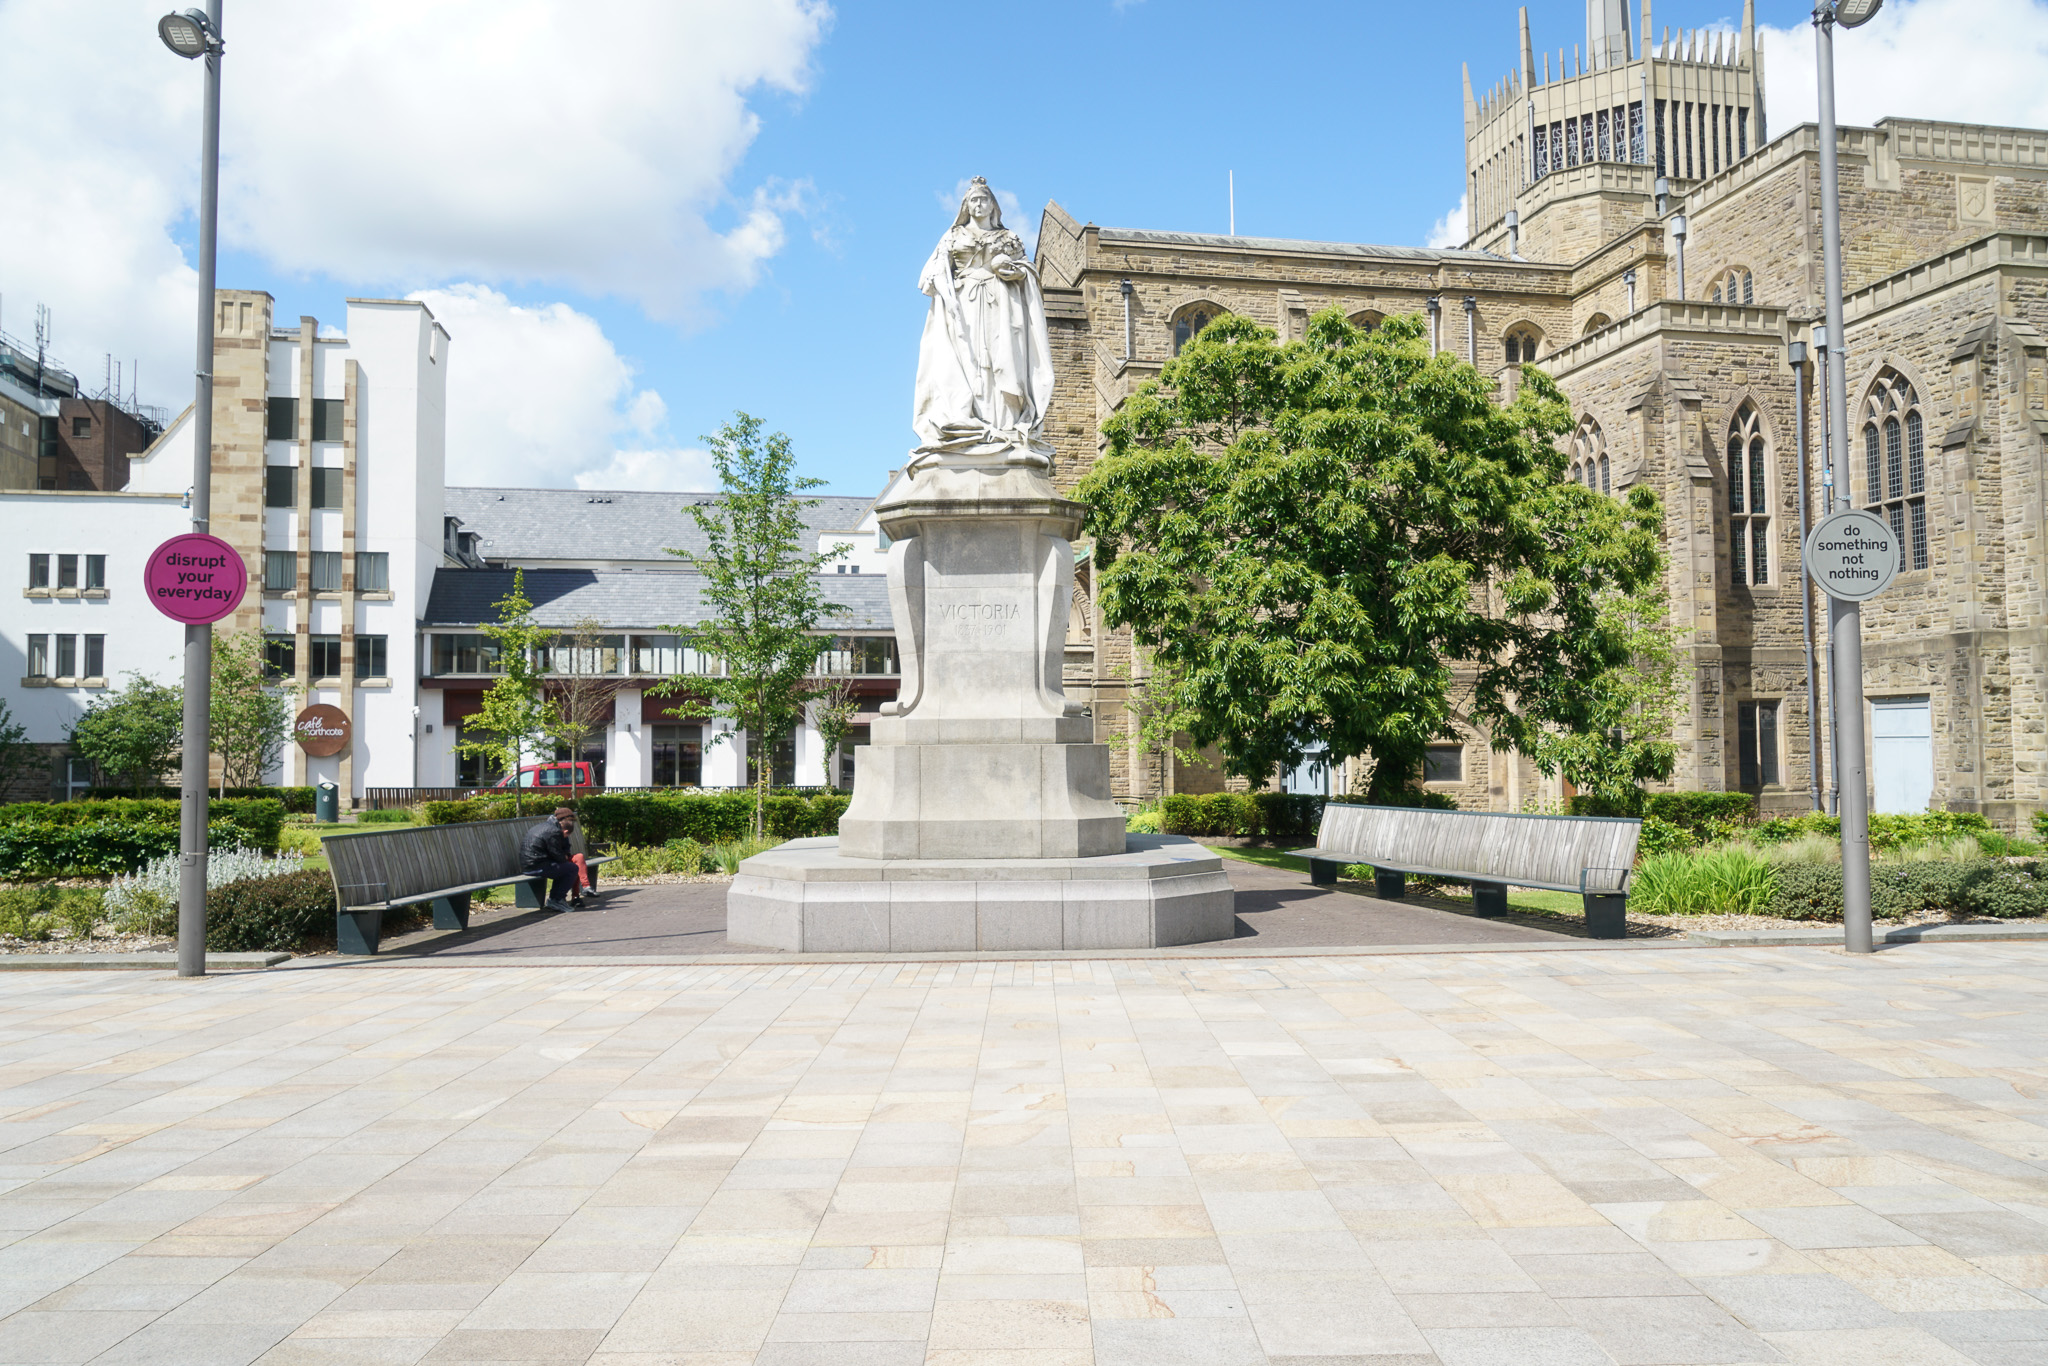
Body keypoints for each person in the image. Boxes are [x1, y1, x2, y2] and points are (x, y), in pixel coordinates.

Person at [521, 807, 583, 912]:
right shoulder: (554, 832)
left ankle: (555, 899)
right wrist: (564, 857)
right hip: (537, 866)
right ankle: (557, 900)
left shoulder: (546, 826)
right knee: (572, 868)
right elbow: (557, 855)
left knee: (563, 868)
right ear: (565, 831)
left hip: (529, 864)